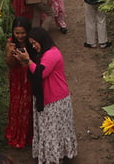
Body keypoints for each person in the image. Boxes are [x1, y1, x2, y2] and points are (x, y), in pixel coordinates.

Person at [13, 28, 78, 164]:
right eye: (31, 44)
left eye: (35, 43)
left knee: (52, 130)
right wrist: (25, 61)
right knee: (50, 129)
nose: (34, 46)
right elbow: (33, 72)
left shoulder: (52, 54)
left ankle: (54, 157)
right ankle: (56, 154)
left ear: (42, 40)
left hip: (55, 99)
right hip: (47, 98)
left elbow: (40, 73)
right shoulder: (42, 53)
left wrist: (28, 60)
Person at [3, 17, 33, 148]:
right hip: (16, 78)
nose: (20, 36)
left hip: (29, 76)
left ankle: (29, 135)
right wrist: (10, 54)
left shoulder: (32, 42)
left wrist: (25, 61)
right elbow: (9, 64)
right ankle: (17, 134)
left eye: (23, 33)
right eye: (17, 33)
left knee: (29, 104)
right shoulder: (10, 44)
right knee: (17, 103)